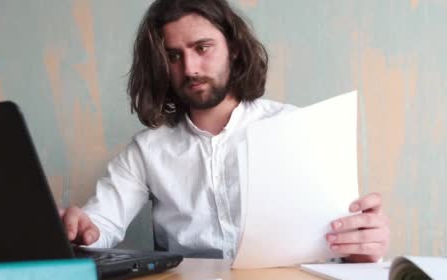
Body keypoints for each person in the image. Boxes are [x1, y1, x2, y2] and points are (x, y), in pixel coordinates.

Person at [59, 0, 390, 262]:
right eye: (174, 56)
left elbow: (342, 242)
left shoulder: (296, 129)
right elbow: (99, 227)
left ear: (233, 47)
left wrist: (361, 246)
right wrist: (77, 230)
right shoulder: (146, 152)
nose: (189, 68)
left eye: (202, 48)